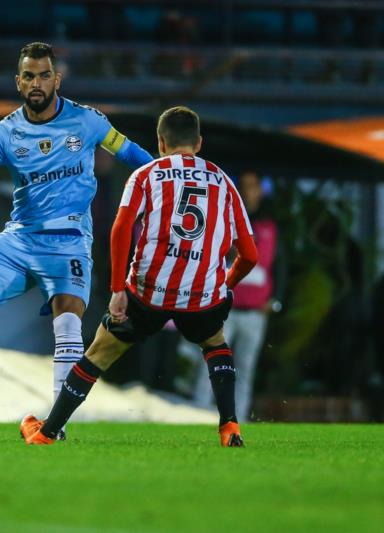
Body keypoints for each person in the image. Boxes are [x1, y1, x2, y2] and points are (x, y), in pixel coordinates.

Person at [0, 42, 154, 423]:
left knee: (68, 322)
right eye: (28, 76)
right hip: (21, 237)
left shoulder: (86, 121)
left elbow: (130, 153)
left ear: (56, 78)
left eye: (43, 75)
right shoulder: (4, 133)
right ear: (18, 81)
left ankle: (56, 424)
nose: (36, 83)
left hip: (70, 240)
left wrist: (167, 179)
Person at [20, 106, 258, 447]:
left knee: (99, 352)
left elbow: (120, 230)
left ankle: (47, 432)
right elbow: (250, 255)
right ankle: (230, 427)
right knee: (215, 343)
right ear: (199, 143)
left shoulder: (147, 174)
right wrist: (223, 286)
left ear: (161, 142)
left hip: (148, 293)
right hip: (200, 295)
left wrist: (118, 289)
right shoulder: (223, 181)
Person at [190, 170, 284, 421]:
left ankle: (236, 420)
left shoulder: (271, 225)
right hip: (224, 308)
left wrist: (276, 300)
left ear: (260, 191)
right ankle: (198, 416)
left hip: (255, 312)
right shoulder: (224, 221)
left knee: (244, 369)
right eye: (243, 187)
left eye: (253, 187)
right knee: (209, 365)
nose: (247, 192)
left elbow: (280, 266)